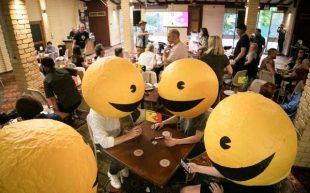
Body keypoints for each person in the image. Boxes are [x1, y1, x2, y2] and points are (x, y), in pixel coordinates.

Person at [87, 109, 142, 189]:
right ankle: (112, 173)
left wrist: (125, 130)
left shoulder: (114, 103)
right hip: (103, 144)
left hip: (117, 134)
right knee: (122, 160)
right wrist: (129, 135)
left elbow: (119, 119)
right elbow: (104, 142)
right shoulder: (95, 114)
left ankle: (122, 166)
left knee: (134, 149)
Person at [180, 163, 275, 193]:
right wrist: (198, 168)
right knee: (185, 190)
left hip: (221, 191)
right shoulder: (261, 176)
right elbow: (231, 175)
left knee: (185, 191)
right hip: (226, 187)